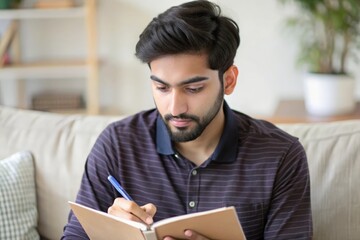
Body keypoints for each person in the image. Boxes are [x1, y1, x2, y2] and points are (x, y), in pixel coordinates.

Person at [62, 0, 313, 239]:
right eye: (162, 88)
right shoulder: (117, 144)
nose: (175, 107)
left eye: (193, 89)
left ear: (228, 80)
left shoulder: (281, 156)